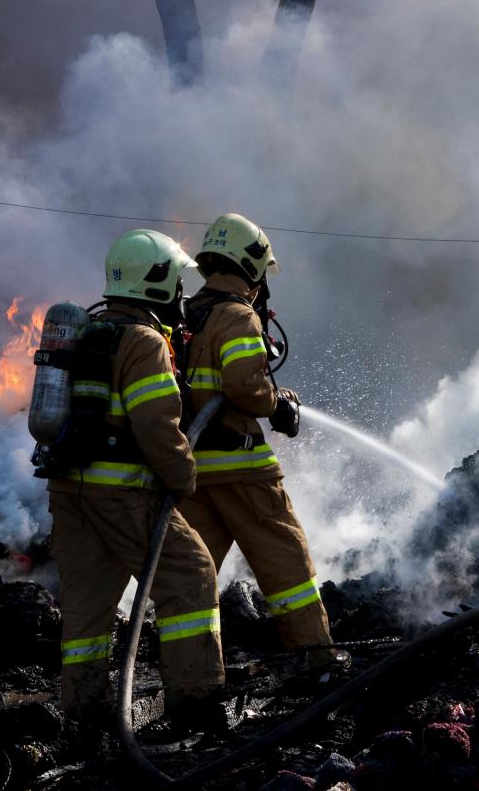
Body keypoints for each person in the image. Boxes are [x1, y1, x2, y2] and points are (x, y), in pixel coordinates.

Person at [46, 228, 226, 734]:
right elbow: (155, 425)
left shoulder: (86, 329)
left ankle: (84, 714)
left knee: (87, 605)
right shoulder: (144, 342)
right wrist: (183, 476)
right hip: (123, 492)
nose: (181, 295)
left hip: (69, 489)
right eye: (176, 283)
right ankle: (196, 704)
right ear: (157, 282)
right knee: (190, 578)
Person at [176, 213, 336, 660]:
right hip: (241, 467)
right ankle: (315, 656)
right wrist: (278, 403)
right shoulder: (237, 316)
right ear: (249, 266)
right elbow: (245, 385)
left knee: (195, 578)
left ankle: (194, 677)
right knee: (287, 564)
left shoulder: (187, 313)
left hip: (193, 471)